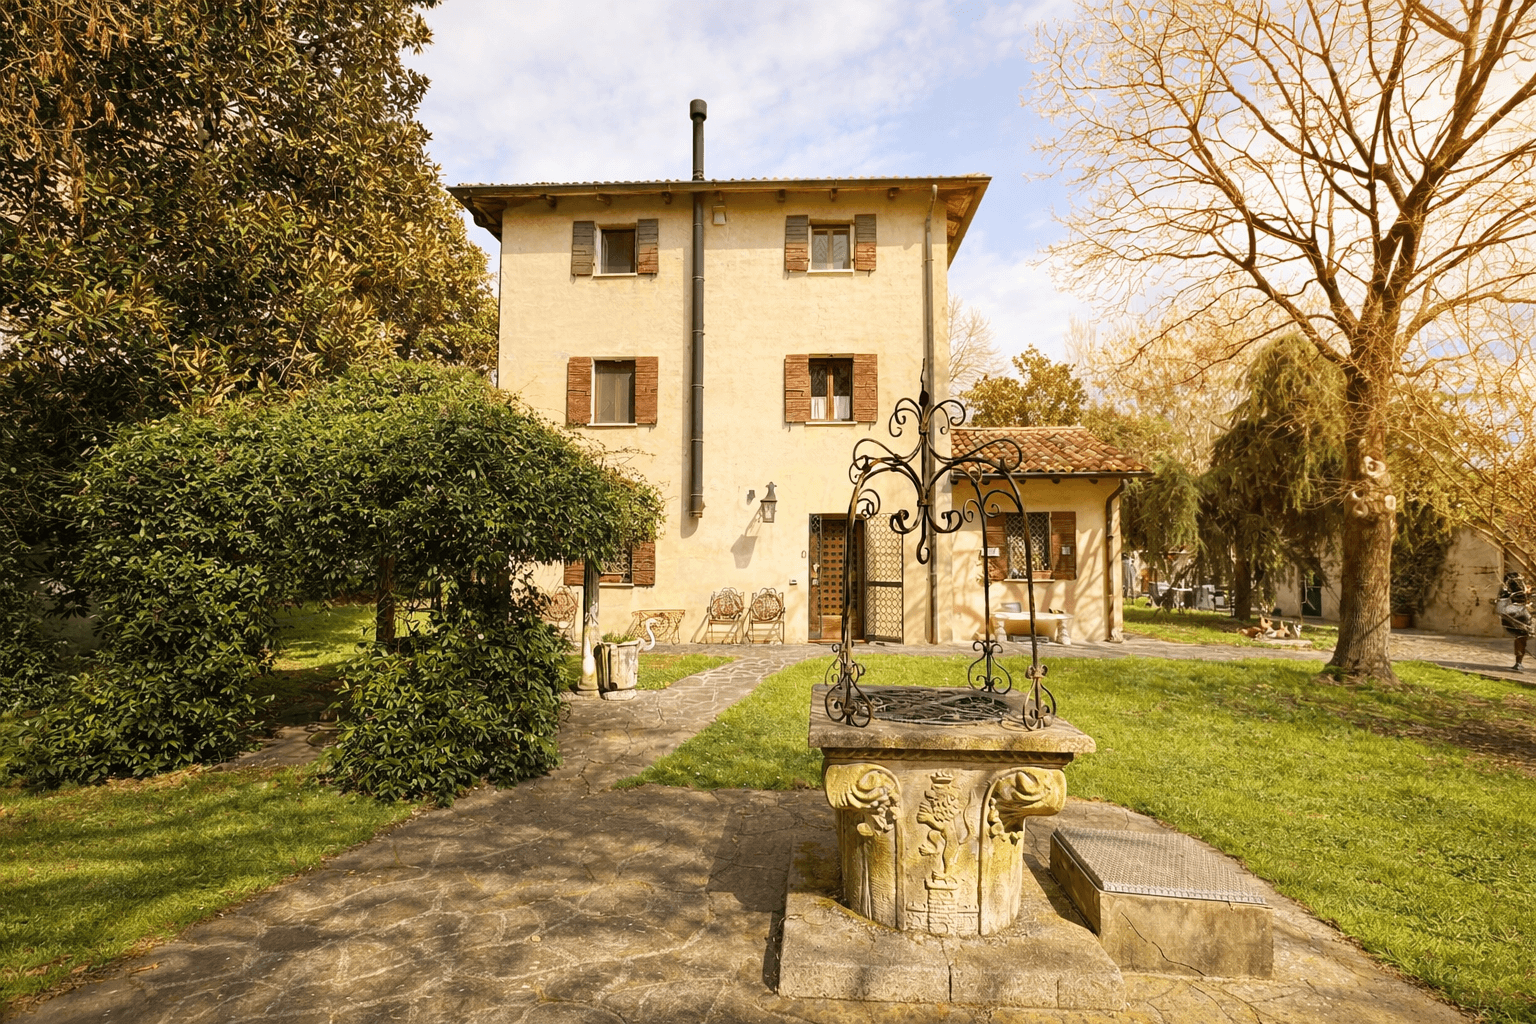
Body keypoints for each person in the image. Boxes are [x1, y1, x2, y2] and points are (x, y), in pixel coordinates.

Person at [1498, 569, 1532, 671]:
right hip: (1519, 616)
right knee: (1521, 639)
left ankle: (1518, 662)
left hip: (1514, 617)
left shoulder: (1506, 591)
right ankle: (1518, 662)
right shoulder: (1516, 591)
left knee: (1520, 639)